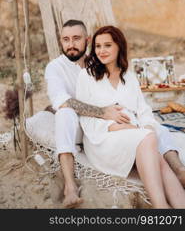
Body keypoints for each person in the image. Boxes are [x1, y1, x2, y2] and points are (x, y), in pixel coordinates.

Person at [45, 20, 185, 208]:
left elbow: (143, 111)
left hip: (132, 132)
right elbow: (75, 110)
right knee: (147, 138)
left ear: (119, 46)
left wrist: (140, 127)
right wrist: (110, 120)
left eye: (107, 45)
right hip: (100, 136)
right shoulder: (82, 74)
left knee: (154, 142)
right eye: (99, 46)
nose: (102, 50)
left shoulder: (127, 75)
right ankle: (160, 207)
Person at [45, 20, 130, 208]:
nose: (71, 44)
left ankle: (176, 168)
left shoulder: (100, 60)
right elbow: (62, 101)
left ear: (87, 39)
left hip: (102, 123)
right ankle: (70, 186)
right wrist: (102, 112)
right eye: (66, 39)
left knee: (142, 118)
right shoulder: (55, 67)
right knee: (64, 113)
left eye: (76, 38)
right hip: (77, 126)